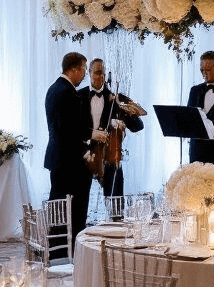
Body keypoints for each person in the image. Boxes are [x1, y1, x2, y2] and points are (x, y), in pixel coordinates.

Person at [44, 51, 95, 244]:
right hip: (71, 162)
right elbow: (71, 129)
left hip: (57, 158)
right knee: (75, 208)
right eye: (83, 70)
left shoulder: (53, 88)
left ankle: (57, 245)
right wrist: (92, 135)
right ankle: (74, 247)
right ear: (74, 69)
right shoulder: (68, 92)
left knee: (58, 206)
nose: (84, 75)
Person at [78, 58, 145, 201]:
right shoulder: (78, 96)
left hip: (109, 157)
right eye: (97, 73)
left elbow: (138, 127)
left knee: (115, 207)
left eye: (102, 73)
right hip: (83, 156)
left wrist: (126, 111)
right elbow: (72, 127)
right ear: (89, 73)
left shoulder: (115, 98)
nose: (100, 77)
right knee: (79, 204)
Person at [186, 50, 214, 166]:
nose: (204, 73)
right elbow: (190, 119)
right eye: (201, 70)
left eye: (208, 70)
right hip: (196, 153)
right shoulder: (194, 90)